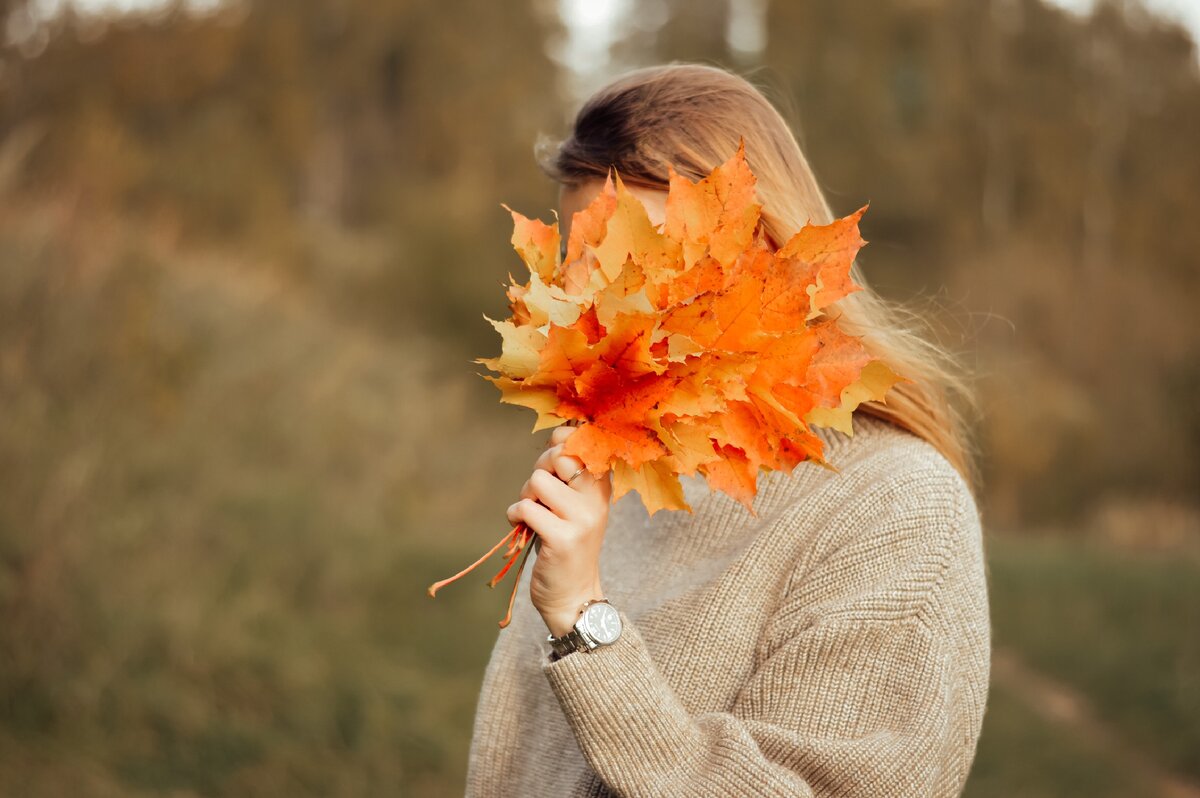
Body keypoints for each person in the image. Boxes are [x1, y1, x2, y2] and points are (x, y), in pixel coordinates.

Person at [465, 62, 991, 798]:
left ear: (753, 258)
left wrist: (586, 624)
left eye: (627, 257)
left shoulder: (897, 507)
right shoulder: (619, 474)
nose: (579, 298)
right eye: (573, 263)